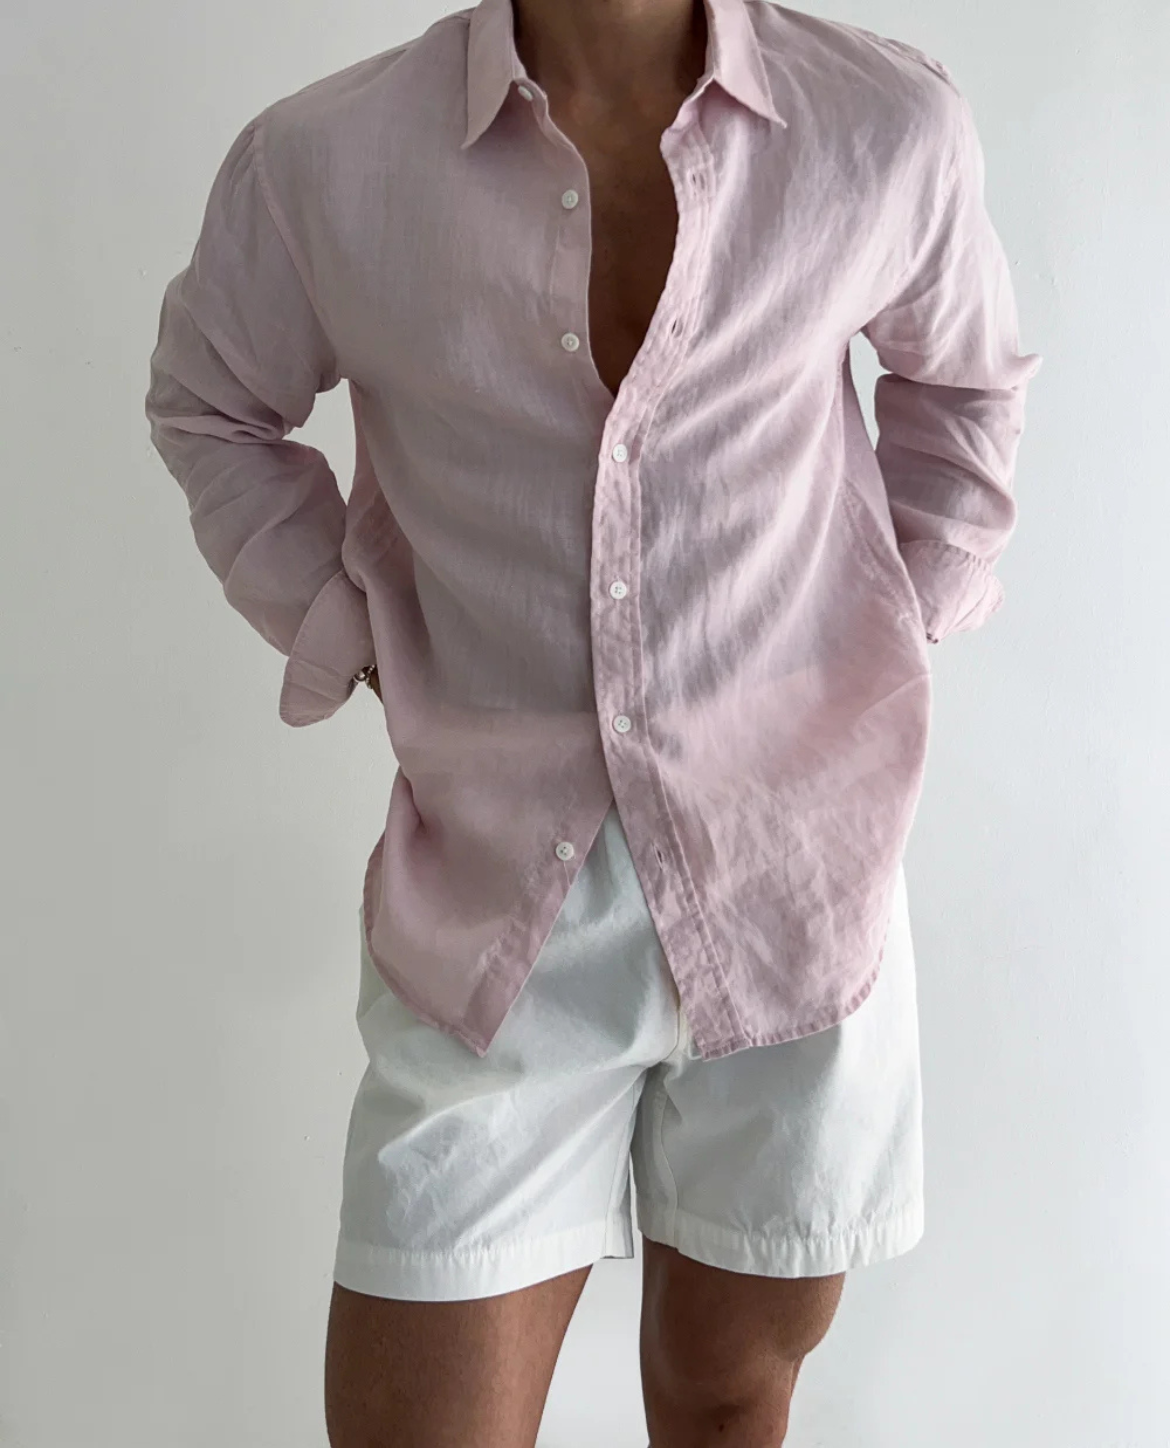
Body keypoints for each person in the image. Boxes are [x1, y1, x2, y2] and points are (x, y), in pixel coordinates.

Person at [144, 0, 1041, 1441]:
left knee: (727, 1399)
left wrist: (891, 616)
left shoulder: (883, 124)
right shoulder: (326, 160)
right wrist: (353, 635)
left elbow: (965, 384)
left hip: (797, 900)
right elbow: (210, 405)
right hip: (492, 916)